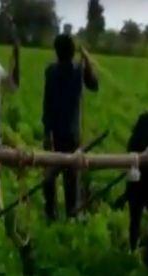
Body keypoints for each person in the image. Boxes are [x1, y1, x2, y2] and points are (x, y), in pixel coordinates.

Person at [42, 34, 99, 220]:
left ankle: (51, 212)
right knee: (71, 177)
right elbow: (94, 84)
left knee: (50, 175)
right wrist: (87, 58)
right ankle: (71, 213)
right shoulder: (78, 70)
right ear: (72, 52)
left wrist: (45, 133)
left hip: (54, 133)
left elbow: (47, 104)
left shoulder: (50, 71)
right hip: (73, 134)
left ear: (57, 53)